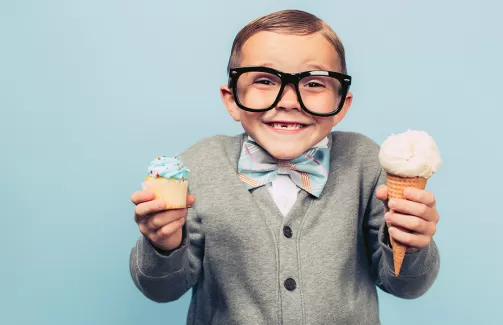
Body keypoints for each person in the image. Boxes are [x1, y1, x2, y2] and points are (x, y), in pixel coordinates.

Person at [129, 9, 440, 325]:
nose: (289, 101)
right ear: (232, 99)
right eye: (265, 80)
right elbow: (162, 290)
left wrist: (412, 246)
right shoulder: (198, 166)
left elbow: (405, 286)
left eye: (314, 83)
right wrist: (163, 247)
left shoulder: (365, 163)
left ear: (342, 104)